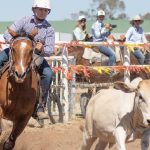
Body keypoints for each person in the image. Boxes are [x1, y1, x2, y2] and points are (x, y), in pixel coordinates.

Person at [0, 0, 55, 119]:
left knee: (48, 74)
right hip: (16, 50)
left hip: (35, 55)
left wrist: (42, 49)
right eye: (40, 9)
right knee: (0, 59)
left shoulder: (49, 29)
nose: (43, 12)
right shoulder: (24, 20)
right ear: (34, 10)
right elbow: (6, 33)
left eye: (45, 10)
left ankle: (40, 106)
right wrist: (14, 43)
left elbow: (50, 49)